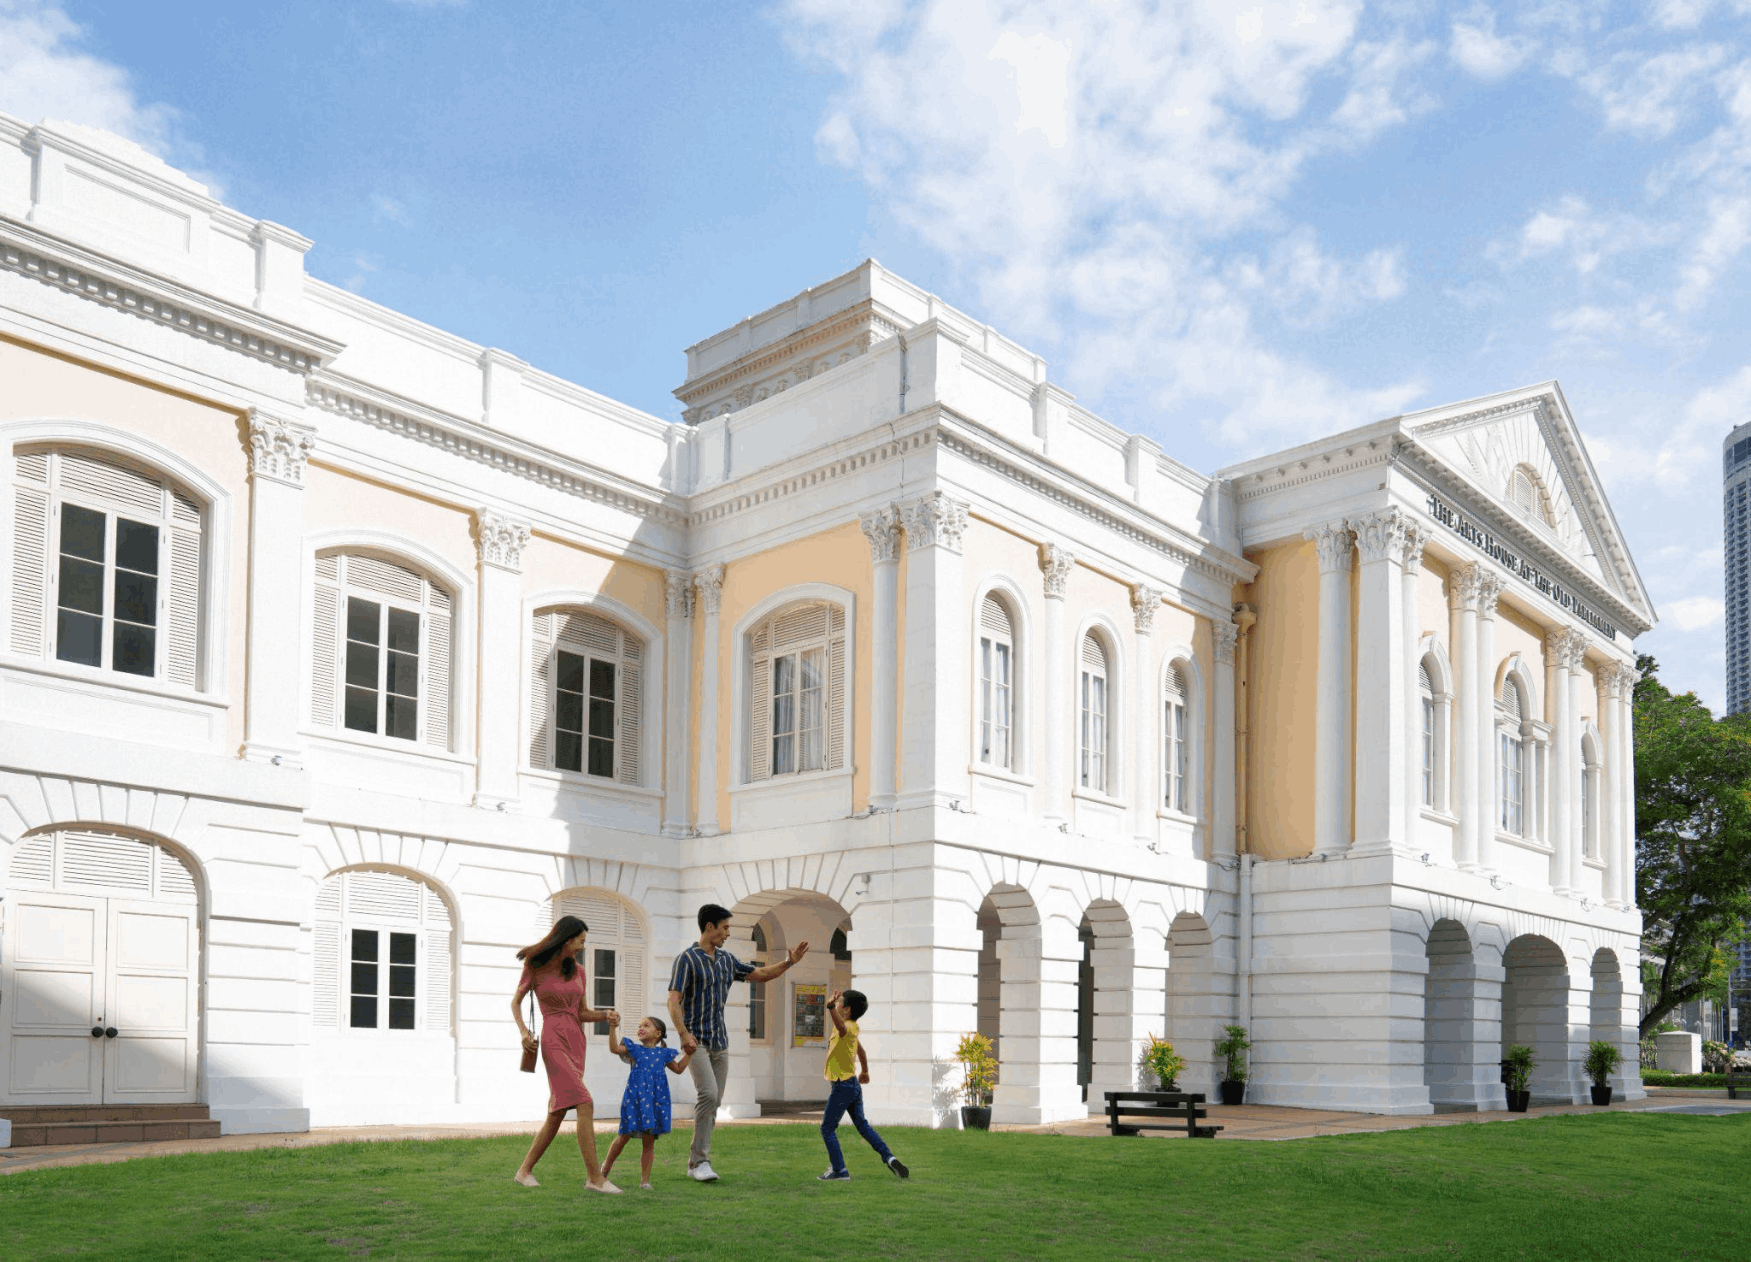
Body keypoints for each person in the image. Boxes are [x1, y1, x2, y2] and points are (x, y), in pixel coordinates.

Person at [667, 901, 808, 1182]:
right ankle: (699, 1163)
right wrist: (683, 1034)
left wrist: (790, 962)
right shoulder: (687, 959)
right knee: (707, 1095)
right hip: (697, 1042)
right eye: (725, 927)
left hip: (721, 1041)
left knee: (715, 1100)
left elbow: (762, 974)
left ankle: (698, 1161)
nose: (728, 933)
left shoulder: (727, 960)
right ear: (710, 927)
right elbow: (673, 1000)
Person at [510, 914, 621, 1192]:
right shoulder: (535, 965)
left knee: (558, 1112)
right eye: (581, 941)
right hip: (553, 1039)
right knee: (584, 1101)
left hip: (575, 1041)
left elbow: (581, 1013)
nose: (583, 946)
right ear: (567, 938)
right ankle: (594, 1178)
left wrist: (605, 1015)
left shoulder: (579, 971)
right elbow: (515, 1003)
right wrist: (524, 1032)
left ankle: (524, 1171)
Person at [817, 988, 908, 1182]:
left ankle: (839, 1170)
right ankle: (889, 1157)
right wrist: (865, 1071)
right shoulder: (852, 1029)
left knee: (827, 1128)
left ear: (847, 1010)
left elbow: (841, 1028)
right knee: (863, 1126)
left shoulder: (847, 1027)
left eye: (840, 1002)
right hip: (852, 1085)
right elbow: (862, 1052)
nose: (837, 1003)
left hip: (842, 1086)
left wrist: (830, 1007)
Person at [600, 1013, 693, 1190]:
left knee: (649, 1141)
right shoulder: (633, 1049)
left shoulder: (664, 1053)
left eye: (646, 1025)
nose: (640, 1028)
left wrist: (689, 1054)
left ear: (658, 1033)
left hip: (656, 1101)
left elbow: (679, 1069)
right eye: (639, 1026)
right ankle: (604, 1169)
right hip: (635, 1100)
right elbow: (613, 1048)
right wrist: (612, 1028)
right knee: (623, 1136)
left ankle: (645, 1180)